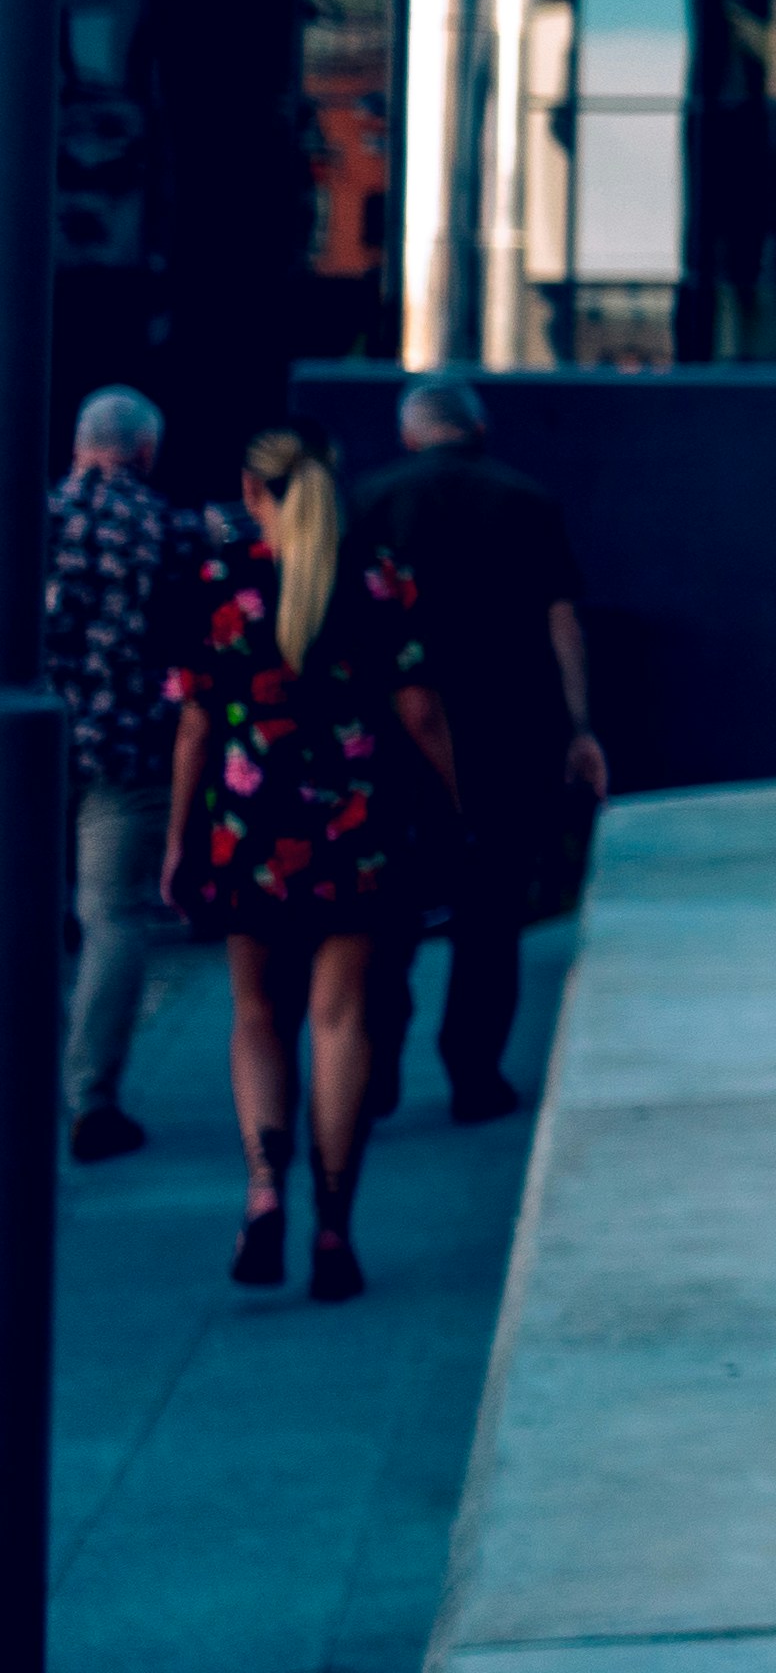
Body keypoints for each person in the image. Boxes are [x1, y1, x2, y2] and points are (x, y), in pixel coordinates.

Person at [164, 428, 453, 1306]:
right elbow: (420, 707)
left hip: (248, 828)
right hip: (353, 827)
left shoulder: (220, 584)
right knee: (340, 1021)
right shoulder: (378, 575)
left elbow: (196, 726)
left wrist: (179, 841)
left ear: (253, 493)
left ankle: (262, 1189)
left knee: (256, 1014)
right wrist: (456, 805)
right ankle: (333, 1222)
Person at [357, 375, 601, 1123]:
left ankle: (373, 1073)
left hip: (391, 738)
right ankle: (473, 1074)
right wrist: (579, 727)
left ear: (410, 433)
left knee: (387, 913)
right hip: (508, 732)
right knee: (490, 913)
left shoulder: (369, 500)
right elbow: (561, 618)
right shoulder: (526, 500)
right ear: (478, 430)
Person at [47, 385, 202, 1164]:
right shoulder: (167, 529)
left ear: (79, 445)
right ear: (145, 451)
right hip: (129, 750)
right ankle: (89, 1098)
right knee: (114, 920)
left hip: (32, 753)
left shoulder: (32, 517)